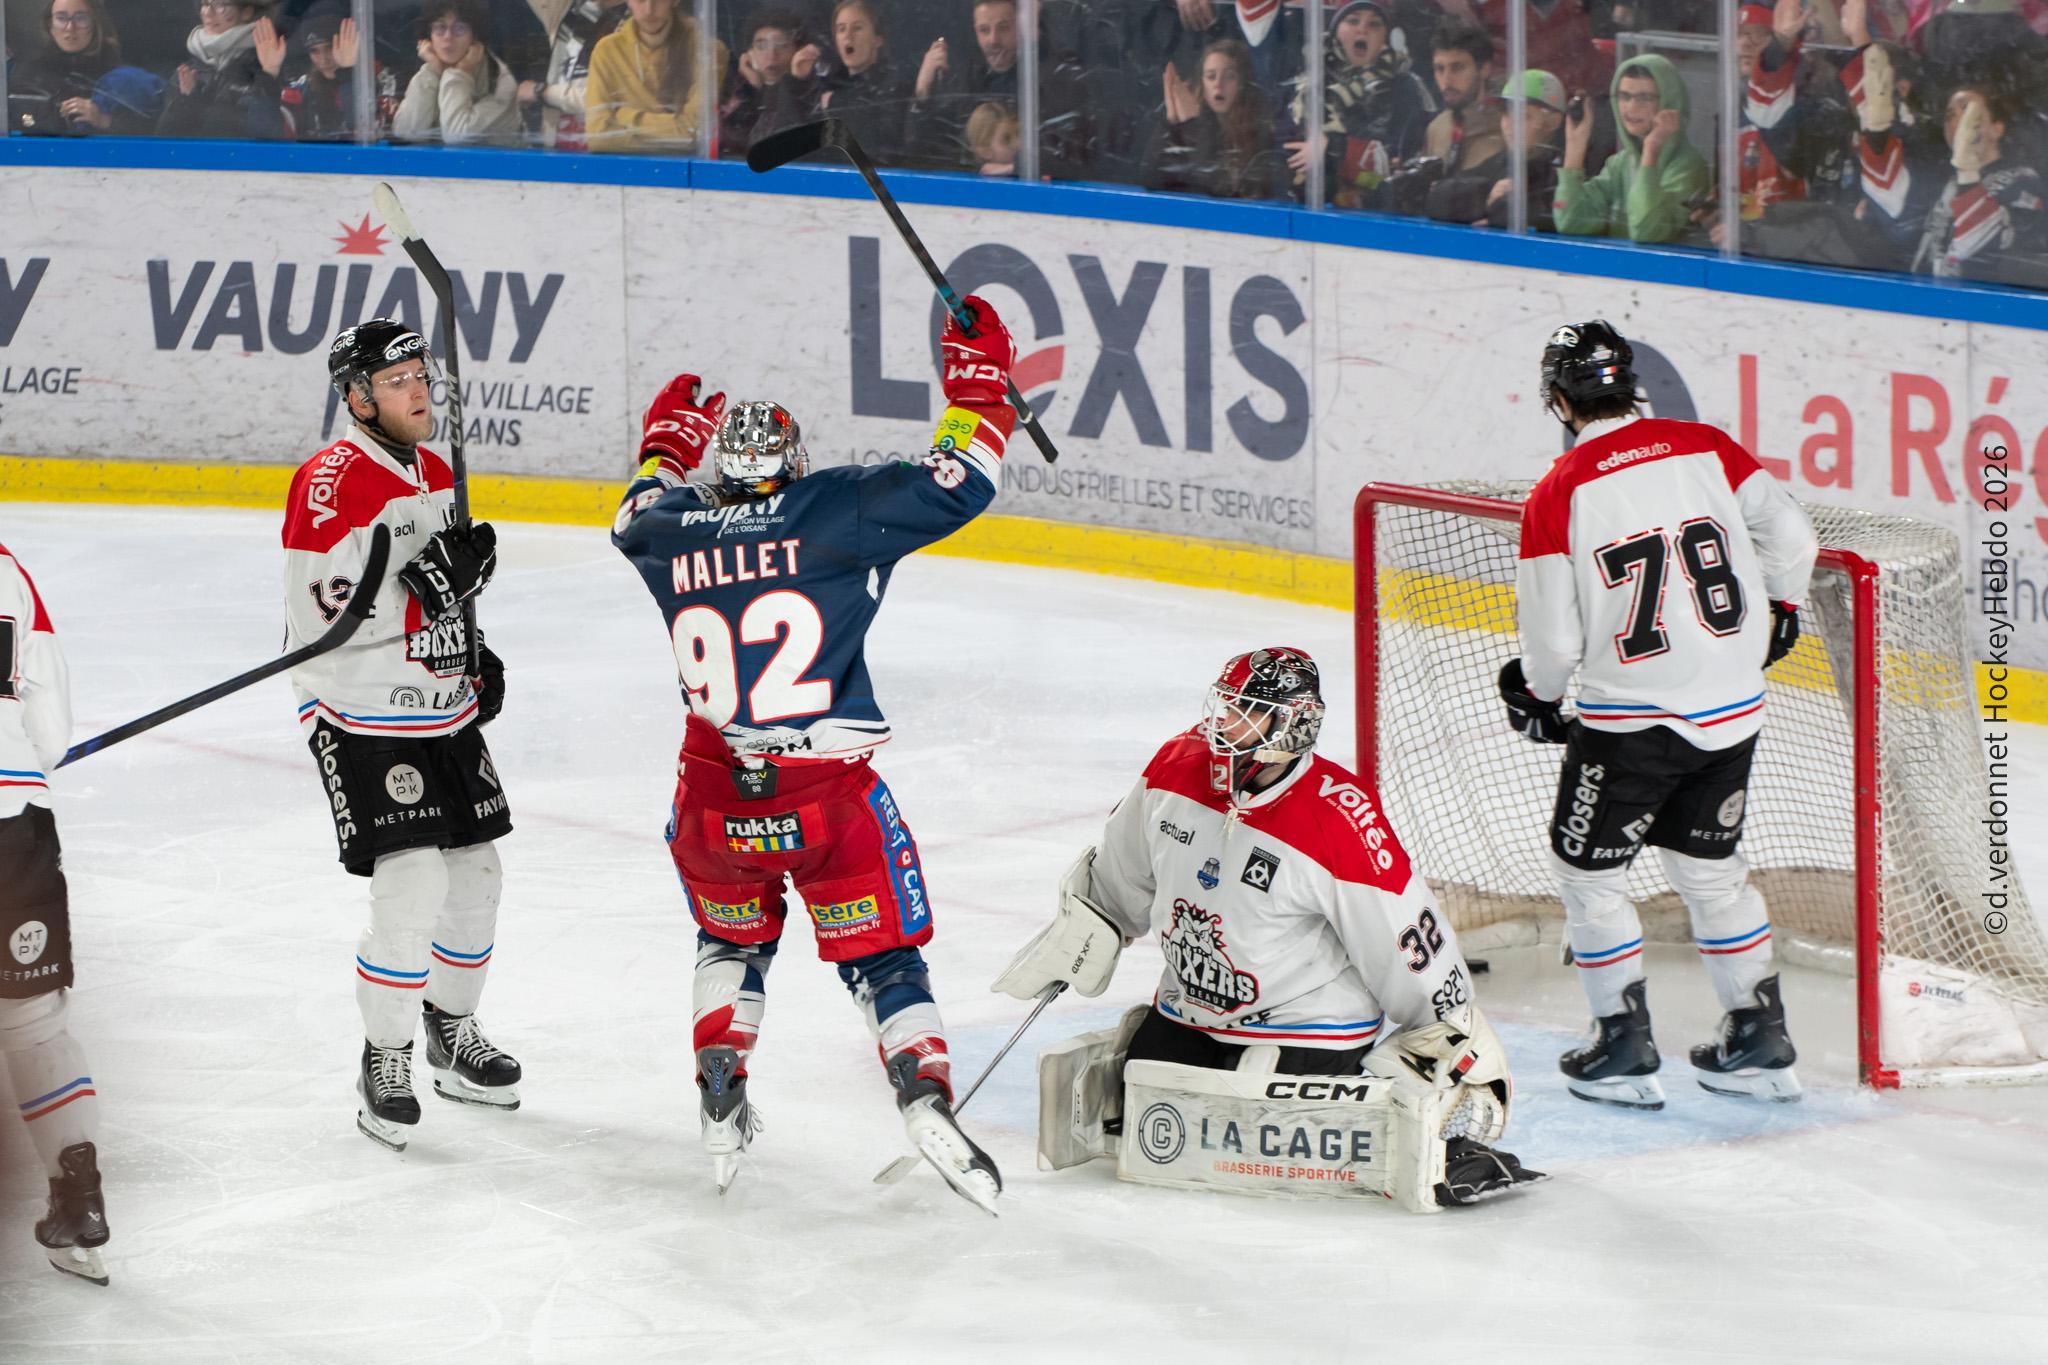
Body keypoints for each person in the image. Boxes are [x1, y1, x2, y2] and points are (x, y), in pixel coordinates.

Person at [610, 297, 1023, 1213]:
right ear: (791, 465)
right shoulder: (835, 508)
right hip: (825, 799)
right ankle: (922, 1090)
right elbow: (958, 480)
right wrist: (978, 390)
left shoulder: (666, 529)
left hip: (715, 804)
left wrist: (665, 450)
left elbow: (631, 510)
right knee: (885, 960)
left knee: (730, 938)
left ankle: (721, 1078)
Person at [994, 646, 1544, 1207]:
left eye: (1248, 710)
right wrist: (1088, 925)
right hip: (1189, 1009)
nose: (1225, 722)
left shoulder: (1339, 818)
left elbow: (1401, 933)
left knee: (1248, 1150)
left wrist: (1446, 1023)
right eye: (1226, 705)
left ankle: (1421, 1137)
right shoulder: (1175, 767)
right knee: (1147, 1125)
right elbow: (1123, 871)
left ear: (1293, 724)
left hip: (1305, 1027)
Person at [1500, 320, 1819, 1110]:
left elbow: (1554, 642)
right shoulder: (1707, 445)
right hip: (1733, 711)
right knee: (1711, 872)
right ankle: (1759, 1036)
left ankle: (1623, 1045)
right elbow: (1792, 538)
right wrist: (1782, 607)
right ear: (1630, 384)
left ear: (1559, 399)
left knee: (1589, 876)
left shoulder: (1560, 489)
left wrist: (1537, 696)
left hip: (1632, 724)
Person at [283, 319, 521, 1153]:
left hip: (439, 706)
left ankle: (451, 1031)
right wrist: (426, 590)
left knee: (478, 875)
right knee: (414, 880)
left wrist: (472, 650)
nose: (419, 389)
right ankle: (383, 1056)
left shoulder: (437, 470)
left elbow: (446, 592)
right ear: (358, 397)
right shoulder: (329, 482)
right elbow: (324, 618)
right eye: (397, 380)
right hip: (358, 711)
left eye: (421, 373)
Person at [0, 542, 112, 1285]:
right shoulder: (4, 566)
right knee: (34, 1022)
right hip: (13, 820)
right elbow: (52, 725)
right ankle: (78, 1201)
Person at [1287, 0, 1435, 211]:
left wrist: (1335, 151)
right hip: (1309, 209)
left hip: (1378, 213)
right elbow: (1285, 150)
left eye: (1374, 24)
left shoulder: (1405, 88)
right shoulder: (1308, 82)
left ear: (1386, 36)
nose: (1362, 29)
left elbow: (1396, 174)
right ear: (1335, 29)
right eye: (1353, 21)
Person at [1553, 53, 1710, 245]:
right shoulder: (1620, 163)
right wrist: (1574, 150)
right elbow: (1569, 222)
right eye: (1624, 96)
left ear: (1669, 103)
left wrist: (1652, 149)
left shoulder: (1688, 167)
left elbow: (1647, 232)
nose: (1631, 107)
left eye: (1645, 98)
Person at [1908, 85, 2048, 284]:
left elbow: (2006, 249)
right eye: (1950, 116)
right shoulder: (1943, 184)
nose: (1956, 122)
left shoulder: (2023, 182)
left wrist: (1967, 169)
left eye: (1968, 113)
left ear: (1996, 129)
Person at [1142, 38, 1289, 200]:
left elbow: (1221, 190)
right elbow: (1149, 180)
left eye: (1229, 77)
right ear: (1201, 82)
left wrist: (1193, 124)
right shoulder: (1191, 125)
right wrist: (1171, 122)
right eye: (1211, 76)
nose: (1218, 85)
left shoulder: (1260, 130)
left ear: (1243, 83)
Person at [1424, 68, 1568, 229]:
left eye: (1522, 115)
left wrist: (1496, 213)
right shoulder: (1499, 162)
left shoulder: (1567, 173)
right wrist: (1486, 196)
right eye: (1506, 114)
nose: (1509, 124)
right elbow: (1436, 196)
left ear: (1553, 122)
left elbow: (1562, 213)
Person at [584, 0, 724, 153]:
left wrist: (626, 116)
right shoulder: (607, 51)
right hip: (622, 167)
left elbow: (695, 133)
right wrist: (672, 133)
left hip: (685, 166)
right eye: (640, 0)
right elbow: (597, 137)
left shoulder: (707, 51)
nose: (649, 10)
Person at [7, 0, 161, 136]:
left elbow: (155, 130)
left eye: (80, 18)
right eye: (61, 18)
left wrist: (104, 120)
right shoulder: (29, 73)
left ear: (95, 23)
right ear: (50, 25)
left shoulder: (120, 78)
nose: (70, 27)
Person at [393, 0, 523, 146]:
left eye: (460, 28)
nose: (448, 36)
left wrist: (461, 71)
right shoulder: (433, 68)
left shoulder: (501, 81)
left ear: (475, 37)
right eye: (440, 27)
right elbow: (406, 131)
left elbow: (456, 135)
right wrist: (432, 72)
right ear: (429, 37)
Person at [156, 0, 289, 139]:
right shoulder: (188, 69)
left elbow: (266, 135)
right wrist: (188, 99)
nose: (208, 12)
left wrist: (269, 74)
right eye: (204, 4)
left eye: (221, 5)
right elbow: (164, 139)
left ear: (246, 12)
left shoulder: (268, 61)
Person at [515, 0, 628, 150]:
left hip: (604, 147)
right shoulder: (576, 11)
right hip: (554, 141)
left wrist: (544, 92)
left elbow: (611, 99)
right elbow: (558, 71)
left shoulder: (639, 20)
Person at [717, 5, 821, 161]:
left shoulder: (810, 92)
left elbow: (788, 142)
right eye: (761, 45)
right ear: (749, 53)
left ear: (798, 51)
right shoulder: (738, 91)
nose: (772, 55)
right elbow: (732, 145)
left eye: (782, 45)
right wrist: (752, 90)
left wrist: (793, 83)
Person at [815, 0, 912, 163]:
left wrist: (836, 103)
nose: (848, 36)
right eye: (841, 29)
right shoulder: (829, 83)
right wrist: (797, 83)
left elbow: (882, 144)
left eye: (857, 28)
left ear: (878, 39)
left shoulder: (895, 84)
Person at [280, 13, 394, 141]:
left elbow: (363, 132)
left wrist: (347, 71)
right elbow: (275, 131)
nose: (323, 59)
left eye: (330, 47)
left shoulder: (381, 79)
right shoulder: (303, 88)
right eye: (314, 51)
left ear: (349, 46)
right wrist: (269, 75)